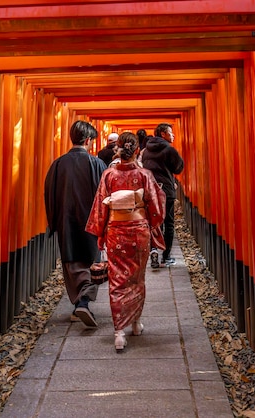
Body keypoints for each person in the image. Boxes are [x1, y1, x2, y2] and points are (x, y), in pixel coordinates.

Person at [86, 132, 166, 352]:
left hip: (115, 231)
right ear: (137, 150)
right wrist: (152, 224)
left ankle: (119, 333)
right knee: (136, 278)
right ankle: (136, 324)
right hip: (138, 231)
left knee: (117, 279)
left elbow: (100, 209)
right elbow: (157, 207)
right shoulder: (144, 175)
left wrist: (100, 234)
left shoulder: (109, 175)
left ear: (117, 149)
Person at [44, 120, 107, 327]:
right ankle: (84, 301)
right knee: (92, 262)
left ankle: (79, 303)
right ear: (88, 140)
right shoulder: (96, 163)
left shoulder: (58, 164)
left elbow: (49, 194)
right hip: (90, 221)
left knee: (71, 263)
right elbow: (105, 194)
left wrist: (53, 221)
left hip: (66, 220)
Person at [141, 123, 184, 268]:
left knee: (154, 222)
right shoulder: (168, 149)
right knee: (169, 223)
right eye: (170, 132)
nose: (173, 135)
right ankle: (166, 256)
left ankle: (153, 249)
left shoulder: (146, 150)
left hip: (151, 190)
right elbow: (178, 167)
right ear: (163, 134)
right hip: (166, 189)